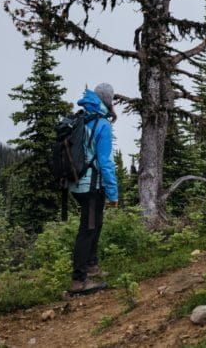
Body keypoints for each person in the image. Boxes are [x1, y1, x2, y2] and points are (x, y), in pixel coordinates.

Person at [68, 83, 119, 294]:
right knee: (88, 229)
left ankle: (92, 266)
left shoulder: (81, 118)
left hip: (76, 183)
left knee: (95, 224)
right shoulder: (102, 124)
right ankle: (79, 281)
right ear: (108, 100)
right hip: (91, 186)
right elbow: (105, 163)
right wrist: (113, 193)